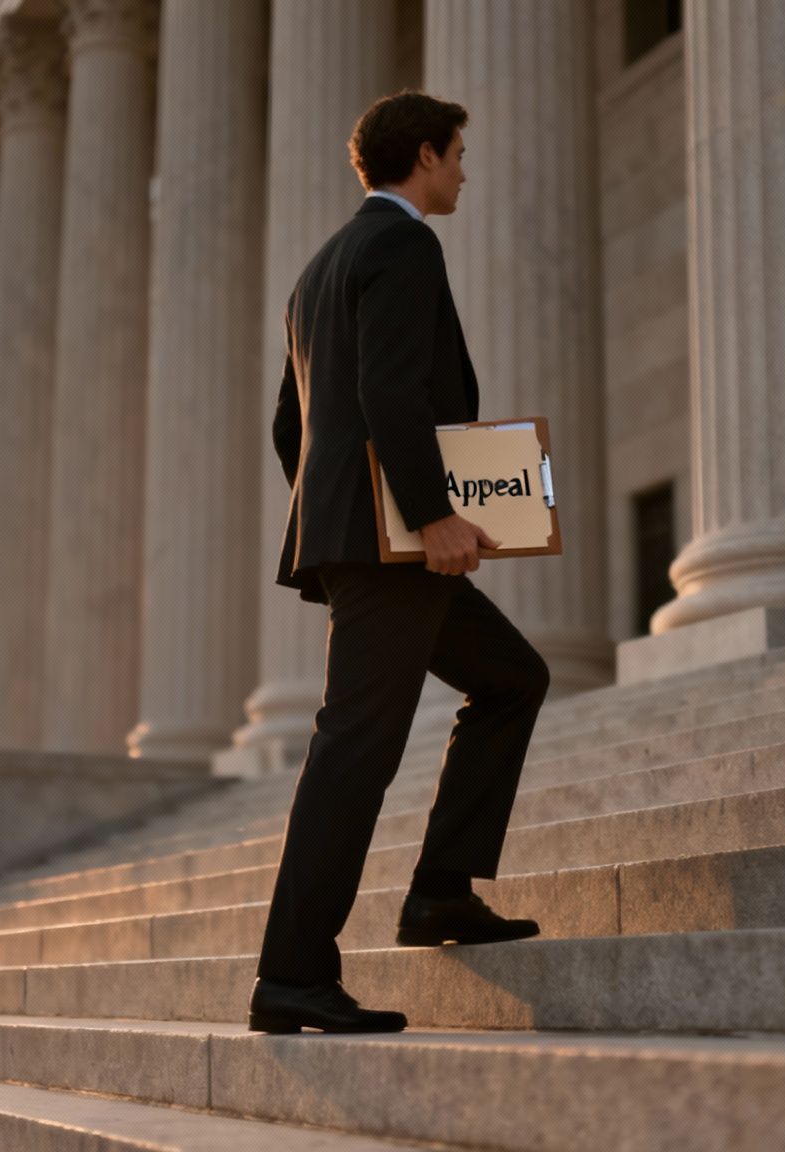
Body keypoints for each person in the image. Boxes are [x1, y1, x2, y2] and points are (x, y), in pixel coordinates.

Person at [248, 90, 551, 1036]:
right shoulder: (406, 243)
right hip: (399, 545)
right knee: (355, 753)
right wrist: (424, 514)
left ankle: (441, 893)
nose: (464, 171)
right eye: (458, 154)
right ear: (423, 155)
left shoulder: (317, 269)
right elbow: (388, 387)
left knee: (511, 680)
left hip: (368, 542)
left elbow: (291, 427)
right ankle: (292, 976)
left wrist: (347, 512)